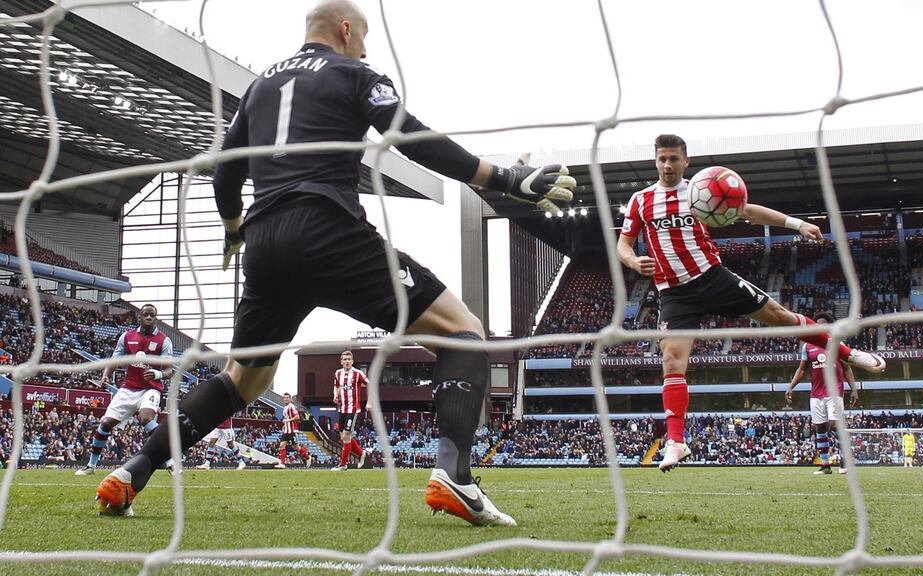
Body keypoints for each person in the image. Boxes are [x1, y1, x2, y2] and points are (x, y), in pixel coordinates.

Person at [96, 0, 573, 527]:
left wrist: (235, 232)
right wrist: (502, 180)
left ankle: (132, 470)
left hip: (266, 243)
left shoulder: (259, 87)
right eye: (363, 38)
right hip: (327, 229)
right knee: (463, 330)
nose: (366, 48)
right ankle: (452, 475)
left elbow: (224, 175)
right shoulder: (354, 71)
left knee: (243, 380)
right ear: (346, 31)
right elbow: (410, 136)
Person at [616, 134, 886, 472]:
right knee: (671, 361)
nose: (667, 165)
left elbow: (748, 212)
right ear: (655, 161)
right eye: (662, 159)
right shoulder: (642, 201)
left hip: (712, 277)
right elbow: (623, 244)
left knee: (782, 318)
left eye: (673, 159)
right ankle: (676, 441)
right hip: (673, 292)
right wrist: (632, 261)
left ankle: (847, 353)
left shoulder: (702, 189)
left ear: (687, 161)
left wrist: (796, 223)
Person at [76, 304, 172, 476]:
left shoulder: (164, 340)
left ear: (156, 318)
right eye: (145, 315)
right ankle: (91, 466)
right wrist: (106, 375)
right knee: (105, 424)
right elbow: (114, 360)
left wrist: (157, 374)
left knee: (145, 418)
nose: (149, 317)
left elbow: (169, 371)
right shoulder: (127, 337)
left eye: (152, 315)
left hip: (151, 389)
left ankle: (170, 461)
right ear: (140, 317)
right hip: (129, 388)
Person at [785, 312, 860, 475]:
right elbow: (802, 369)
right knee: (819, 427)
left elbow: (847, 368)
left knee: (834, 424)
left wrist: (854, 389)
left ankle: (844, 461)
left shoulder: (836, 344)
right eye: (817, 323)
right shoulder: (807, 346)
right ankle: (825, 465)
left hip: (835, 391)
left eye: (823, 323)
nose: (819, 325)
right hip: (816, 393)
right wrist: (791, 386)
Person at [331, 351, 370, 471]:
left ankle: (343, 465)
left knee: (346, 436)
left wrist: (369, 402)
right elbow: (336, 386)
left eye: (349, 359)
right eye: (345, 359)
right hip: (342, 409)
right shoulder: (338, 373)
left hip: (353, 409)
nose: (347, 361)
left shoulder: (358, 374)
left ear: (352, 361)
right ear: (341, 361)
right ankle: (361, 453)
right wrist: (335, 395)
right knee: (343, 437)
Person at [276, 392, 310, 469]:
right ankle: (282, 463)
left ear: (290, 399)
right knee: (281, 445)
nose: (286, 399)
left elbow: (297, 417)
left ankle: (308, 457)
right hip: (286, 431)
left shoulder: (292, 407)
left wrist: (288, 421)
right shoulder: (284, 407)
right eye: (284, 398)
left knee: (296, 448)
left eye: (287, 398)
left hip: (292, 430)